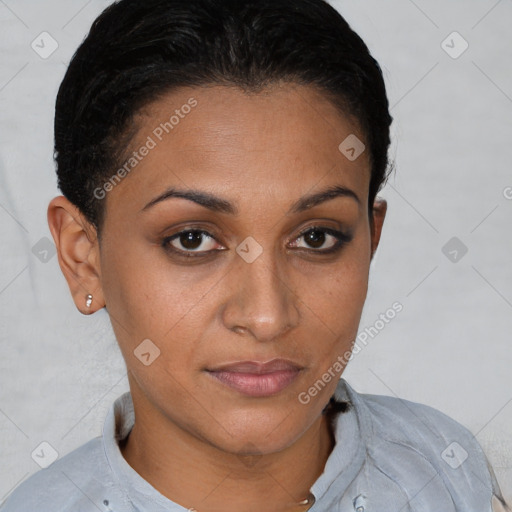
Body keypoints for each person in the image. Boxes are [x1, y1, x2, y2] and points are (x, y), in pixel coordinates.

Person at [0, 0, 508, 511]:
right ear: (83, 257)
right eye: (192, 239)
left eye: (316, 238)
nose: (267, 317)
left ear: (371, 240)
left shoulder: (446, 474)